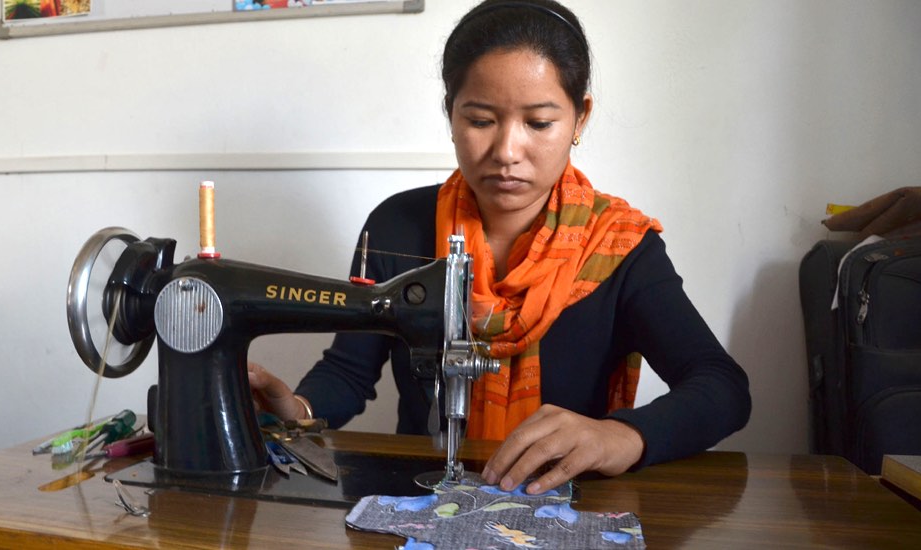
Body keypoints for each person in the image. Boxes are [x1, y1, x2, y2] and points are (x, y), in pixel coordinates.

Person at [250, 0, 751, 495]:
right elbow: (349, 370)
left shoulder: (617, 246)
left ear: (580, 119)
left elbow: (721, 387)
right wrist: (298, 410)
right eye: (481, 120)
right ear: (451, 114)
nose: (507, 152)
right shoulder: (396, 226)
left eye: (539, 123)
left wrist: (619, 435)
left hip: (564, 505)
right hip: (418, 499)